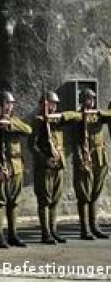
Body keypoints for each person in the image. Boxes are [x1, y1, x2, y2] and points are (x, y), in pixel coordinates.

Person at [30, 90, 79, 244]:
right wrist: (45, 160)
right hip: (45, 167)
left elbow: (76, 116)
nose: (54, 106)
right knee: (45, 200)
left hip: (58, 164)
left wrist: (58, 116)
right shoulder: (38, 121)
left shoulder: (56, 120)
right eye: (51, 103)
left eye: (55, 104)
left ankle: (53, 230)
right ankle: (46, 233)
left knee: (55, 200)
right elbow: (32, 146)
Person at [0, 91, 32, 248]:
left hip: (16, 166)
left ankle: (13, 234)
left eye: (11, 104)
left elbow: (28, 130)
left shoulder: (15, 121)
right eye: (6, 103)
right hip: (1, 167)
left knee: (14, 202)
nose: (9, 107)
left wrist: (10, 124)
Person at [70, 88, 111, 240]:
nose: (91, 102)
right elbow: (75, 142)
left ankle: (94, 226)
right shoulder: (79, 117)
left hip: (99, 158)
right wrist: (81, 160)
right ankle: (84, 229)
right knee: (84, 195)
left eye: (92, 99)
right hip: (85, 158)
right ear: (82, 100)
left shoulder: (98, 115)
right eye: (87, 99)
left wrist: (100, 113)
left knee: (95, 194)